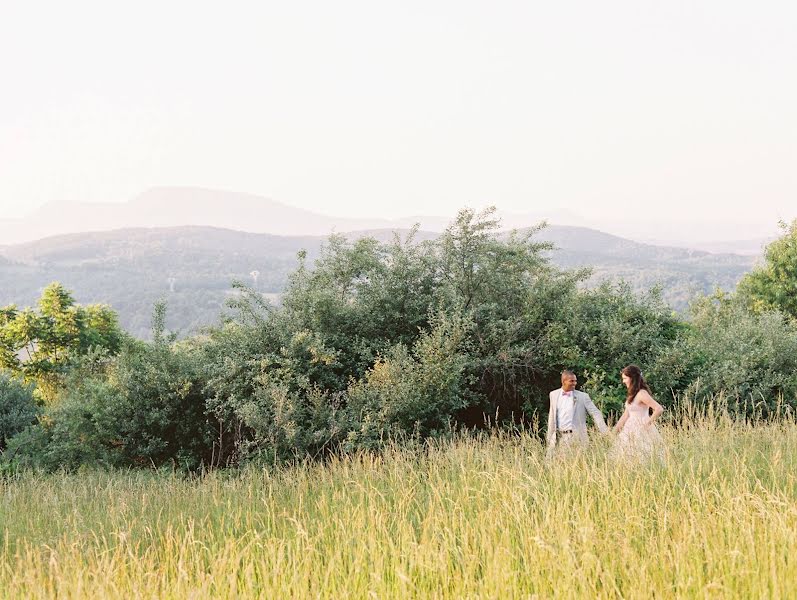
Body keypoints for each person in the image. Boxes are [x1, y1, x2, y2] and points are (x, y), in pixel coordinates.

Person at [546, 369, 609, 456]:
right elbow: (552, 416)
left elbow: (595, 413)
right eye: (571, 381)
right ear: (563, 381)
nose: (574, 383)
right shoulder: (553, 394)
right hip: (558, 438)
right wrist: (549, 437)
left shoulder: (583, 397)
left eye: (575, 381)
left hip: (576, 437)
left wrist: (604, 431)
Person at [611, 364, 665, 462]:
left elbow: (658, 408)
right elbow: (626, 414)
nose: (623, 381)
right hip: (630, 427)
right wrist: (615, 430)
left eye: (625, 378)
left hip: (641, 426)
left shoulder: (642, 393)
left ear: (632, 378)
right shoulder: (632, 394)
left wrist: (647, 423)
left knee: (642, 453)